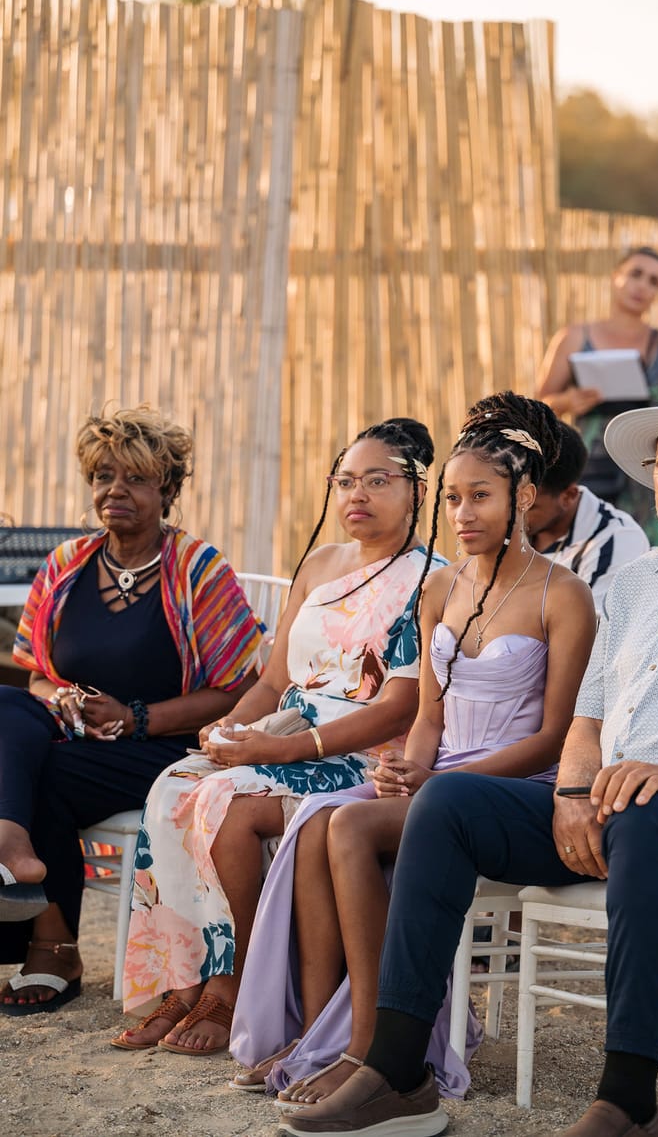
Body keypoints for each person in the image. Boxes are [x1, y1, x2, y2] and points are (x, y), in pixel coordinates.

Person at [277, 387, 658, 1137]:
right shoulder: (637, 582)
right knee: (446, 804)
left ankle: (627, 1103)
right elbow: (586, 720)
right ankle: (397, 1072)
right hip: (620, 807)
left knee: (648, 815)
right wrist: (572, 793)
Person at [228, 392, 596, 1101]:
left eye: (480, 496)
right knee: (315, 821)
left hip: (517, 784)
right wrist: (409, 767)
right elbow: (429, 715)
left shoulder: (563, 594)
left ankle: (369, 1044)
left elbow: (556, 735)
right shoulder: (439, 589)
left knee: (350, 825)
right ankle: (319, 1031)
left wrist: (442, 784)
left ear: (524, 497)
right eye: (452, 499)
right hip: (443, 773)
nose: (462, 514)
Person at [112, 417, 441, 1057]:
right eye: (346, 481)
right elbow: (273, 679)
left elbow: (401, 706)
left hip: (361, 754)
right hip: (284, 734)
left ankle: (233, 984)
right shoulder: (320, 563)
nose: (358, 494)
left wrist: (282, 750)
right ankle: (183, 984)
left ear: (418, 491)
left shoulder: (432, 578)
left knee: (224, 801)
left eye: (378, 481)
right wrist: (231, 726)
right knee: (172, 784)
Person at [0, 406, 262, 1016]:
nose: (115, 490)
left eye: (136, 478)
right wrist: (61, 698)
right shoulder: (66, 565)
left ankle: (52, 945)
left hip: (167, 747)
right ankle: (11, 839)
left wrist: (135, 718)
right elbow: (36, 674)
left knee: (41, 773)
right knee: (7, 704)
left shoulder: (199, 569)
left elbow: (237, 689)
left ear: (167, 491)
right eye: (104, 476)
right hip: (74, 736)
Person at [537, 247, 658, 543]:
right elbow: (540, 405)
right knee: (591, 549)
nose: (642, 286)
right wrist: (568, 401)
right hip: (591, 468)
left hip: (645, 471)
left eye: (653, 281)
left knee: (647, 550)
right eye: (636, 274)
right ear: (615, 277)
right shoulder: (574, 337)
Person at [526, 421, 649, 610]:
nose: (513, 514)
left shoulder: (617, 540)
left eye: (529, 506)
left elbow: (590, 627)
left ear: (569, 496)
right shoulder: (505, 522)